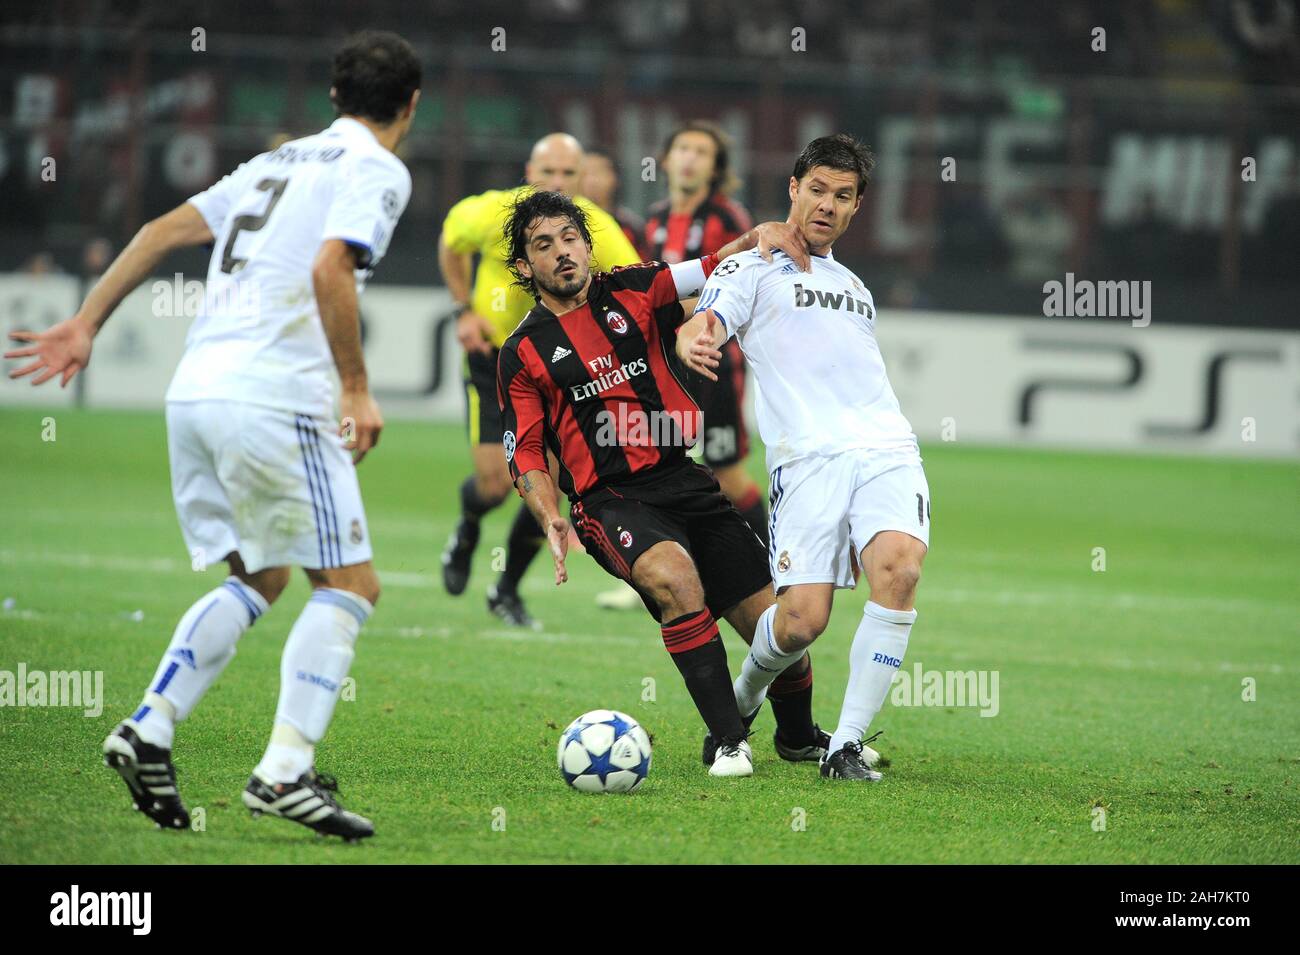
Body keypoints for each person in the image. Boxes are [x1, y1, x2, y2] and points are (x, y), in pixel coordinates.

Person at [5, 31, 421, 834]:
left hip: (196, 391)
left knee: (261, 578)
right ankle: (284, 771)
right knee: (351, 585)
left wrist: (88, 320)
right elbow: (332, 266)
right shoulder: (377, 168)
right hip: (274, 398)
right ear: (411, 104)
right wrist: (359, 388)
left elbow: (161, 230)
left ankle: (148, 727)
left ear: (333, 97)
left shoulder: (276, 162)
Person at [497, 189, 828, 777]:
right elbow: (523, 449)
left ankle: (800, 738)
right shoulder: (522, 351)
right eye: (543, 246)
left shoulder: (633, 287)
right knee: (673, 580)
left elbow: (716, 263)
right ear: (525, 267)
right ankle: (729, 741)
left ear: (588, 246)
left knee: (779, 629)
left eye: (570, 238)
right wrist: (548, 512)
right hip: (609, 499)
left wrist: (763, 235)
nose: (561, 253)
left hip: (684, 477)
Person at [676, 134, 930, 782]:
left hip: (886, 447)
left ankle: (843, 744)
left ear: (856, 206)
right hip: (808, 460)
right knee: (798, 624)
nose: (827, 204)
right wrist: (694, 338)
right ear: (793, 188)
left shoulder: (855, 285)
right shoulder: (751, 265)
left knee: (899, 571)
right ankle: (740, 703)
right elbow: (706, 321)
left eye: (842, 196)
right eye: (816, 189)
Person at [437, 133, 640, 628]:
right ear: (529, 171)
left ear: (582, 178)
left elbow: (633, 280)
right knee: (492, 486)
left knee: (543, 484)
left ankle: (505, 589)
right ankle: (467, 530)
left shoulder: (592, 226)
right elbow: (450, 242)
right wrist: (464, 309)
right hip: (496, 362)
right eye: (548, 172)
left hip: (557, 374)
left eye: (568, 174)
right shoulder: (492, 213)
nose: (557, 183)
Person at [579, 147, 647, 259]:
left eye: (598, 172)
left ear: (615, 178)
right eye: (585, 173)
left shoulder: (631, 227)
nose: (591, 180)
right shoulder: (569, 224)